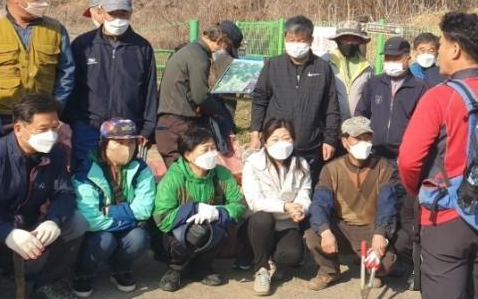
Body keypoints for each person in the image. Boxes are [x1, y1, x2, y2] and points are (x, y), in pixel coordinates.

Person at [398, 11, 478, 298]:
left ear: (455, 49)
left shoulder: (439, 96)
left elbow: (409, 160)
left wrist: (419, 191)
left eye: (441, 45)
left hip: (446, 216)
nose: (438, 52)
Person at [0, 93, 87, 299]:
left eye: (55, 127)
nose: (51, 135)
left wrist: (53, 220)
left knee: (77, 222)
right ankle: (0, 284)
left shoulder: (57, 152)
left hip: (31, 223)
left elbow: (64, 192)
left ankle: (47, 282)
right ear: (19, 129)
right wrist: (5, 233)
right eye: (43, 129)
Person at [0, 0, 75, 139]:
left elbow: (66, 74)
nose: (44, 4)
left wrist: (55, 108)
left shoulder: (56, 29)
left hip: (40, 122)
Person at [65, 0, 158, 171]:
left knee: (122, 177)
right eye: (113, 13)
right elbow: (71, 85)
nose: (118, 19)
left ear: (131, 13)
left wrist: (148, 128)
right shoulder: (84, 44)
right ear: (101, 12)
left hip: (126, 130)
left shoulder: (142, 47)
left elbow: (149, 90)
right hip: (89, 127)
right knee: (87, 175)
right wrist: (74, 120)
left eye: (123, 14)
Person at [305, 117, 398, 291]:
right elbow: (319, 203)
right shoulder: (331, 169)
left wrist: (381, 232)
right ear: (345, 142)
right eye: (357, 138)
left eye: (367, 138)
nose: (363, 143)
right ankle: (329, 270)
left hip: (370, 228)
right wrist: (325, 230)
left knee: (387, 262)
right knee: (312, 236)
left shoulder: (383, 167)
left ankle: (373, 271)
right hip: (342, 227)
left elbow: (388, 204)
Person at [250, 15, 340, 186]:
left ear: (311, 40)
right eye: (291, 40)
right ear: (285, 38)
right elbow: (260, 99)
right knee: (274, 189)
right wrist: (255, 132)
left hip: (309, 145)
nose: (296, 45)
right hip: (276, 143)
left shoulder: (322, 68)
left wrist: (330, 139)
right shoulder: (273, 65)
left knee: (305, 190)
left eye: (301, 40)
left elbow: (331, 107)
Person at [152, 126, 245, 292]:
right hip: (175, 234)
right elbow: (162, 218)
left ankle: (202, 268)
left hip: (211, 227)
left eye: (213, 148)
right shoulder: (173, 178)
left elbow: (238, 205)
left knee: (217, 231)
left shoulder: (221, 174)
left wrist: (218, 212)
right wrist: (194, 209)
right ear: (188, 155)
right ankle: (175, 269)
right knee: (196, 232)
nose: (212, 153)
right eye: (205, 149)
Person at [71, 118, 155, 297]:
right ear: (104, 144)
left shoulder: (141, 169)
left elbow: (145, 209)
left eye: (131, 142)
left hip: (117, 223)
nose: (126, 148)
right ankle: (83, 272)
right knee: (105, 240)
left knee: (139, 237)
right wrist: (130, 219)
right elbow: (91, 219)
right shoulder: (86, 171)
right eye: (119, 142)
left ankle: (120, 269)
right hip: (98, 232)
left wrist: (111, 211)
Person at [156, 21, 243, 166]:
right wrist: (219, 112)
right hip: (178, 125)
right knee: (185, 175)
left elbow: (189, 92)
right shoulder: (199, 57)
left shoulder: (189, 51)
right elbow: (200, 96)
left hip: (169, 125)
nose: (224, 52)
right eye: (227, 48)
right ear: (220, 41)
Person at [242, 118, 311, 296]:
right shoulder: (253, 163)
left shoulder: (301, 164)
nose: (281, 143)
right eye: (275, 139)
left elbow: (304, 193)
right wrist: (285, 206)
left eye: (286, 138)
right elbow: (254, 201)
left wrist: (300, 208)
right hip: (258, 221)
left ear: (294, 140)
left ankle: (272, 258)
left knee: (292, 256)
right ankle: (261, 269)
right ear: (265, 141)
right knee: (262, 219)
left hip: (286, 221)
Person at [355, 36, 425, 160]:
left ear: (408, 58)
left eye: (396, 58)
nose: (391, 61)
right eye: (388, 58)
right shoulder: (374, 83)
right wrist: (362, 141)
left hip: (402, 155)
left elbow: (422, 125)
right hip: (373, 152)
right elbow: (361, 113)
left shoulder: (419, 88)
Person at [322, 20, 373, 122]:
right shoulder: (325, 62)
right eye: (345, 39)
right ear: (337, 40)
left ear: (360, 41)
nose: (349, 43)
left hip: (356, 125)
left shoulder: (368, 67)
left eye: (354, 39)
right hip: (329, 123)